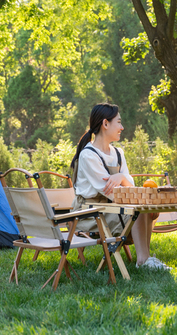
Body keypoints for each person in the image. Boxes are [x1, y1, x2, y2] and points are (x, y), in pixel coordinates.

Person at [71, 103, 171, 271]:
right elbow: (111, 193)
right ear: (105, 124)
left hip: (111, 208)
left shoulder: (118, 153)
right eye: (118, 122)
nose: (122, 127)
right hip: (90, 213)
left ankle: (145, 259)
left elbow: (128, 186)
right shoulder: (88, 155)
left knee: (146, 207)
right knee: (139, 207)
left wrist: (121, 177)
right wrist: (123, 182)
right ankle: (143, 261)